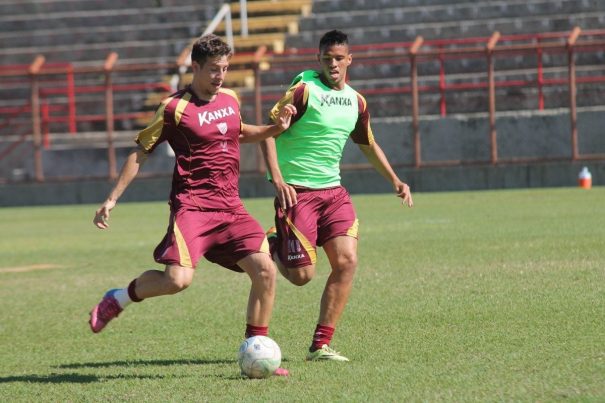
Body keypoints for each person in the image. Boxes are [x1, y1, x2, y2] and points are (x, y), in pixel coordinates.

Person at [88, 34, 296, 377]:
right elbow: (140, 152)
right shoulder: (173, 108)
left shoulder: (229, 98)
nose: (221, 76)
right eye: (214, 69)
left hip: (231, 208)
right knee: (177, 281)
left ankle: (255, 349)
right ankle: (119, 297)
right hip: (193, 209)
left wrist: (276, 127)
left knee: (265, 270)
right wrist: (111, 199)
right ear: (195, 67)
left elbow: (239, 132)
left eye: (225, 68)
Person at [260, 29, 413, 362]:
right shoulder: (303, 91)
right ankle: (273, 245)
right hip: (297, 193)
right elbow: (268, 133)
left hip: (334, 193)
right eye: (326, 58)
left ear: (349, 60)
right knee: (301, 277)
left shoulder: (356, 101)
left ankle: (320, 345)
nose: (333, 64)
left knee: (347, 262)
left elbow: (367, 144)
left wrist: (395, 180)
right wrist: (278, 180)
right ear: (318, 59)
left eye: (339, 59)